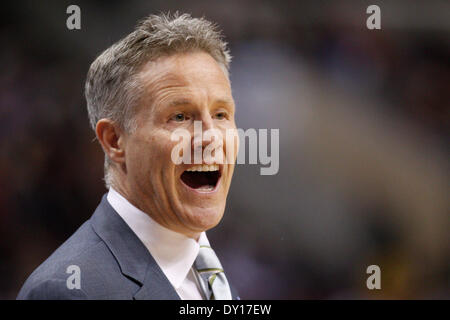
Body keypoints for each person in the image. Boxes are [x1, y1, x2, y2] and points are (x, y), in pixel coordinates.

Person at [17, 13, 240, 300]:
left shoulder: (211, 277)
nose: (211, 137)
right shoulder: (67, 291)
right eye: (180, 116)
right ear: (114, 141)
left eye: (221, 114)